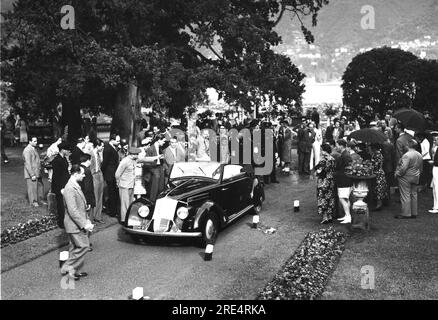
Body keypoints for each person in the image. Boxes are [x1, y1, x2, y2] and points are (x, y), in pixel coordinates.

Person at [61, 164, 94, 280]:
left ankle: (74, 272)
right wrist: (84, 224)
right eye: (82, 173)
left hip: (75, 223)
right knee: (84, 246)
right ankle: (68, 266)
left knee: (74, 247)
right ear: (75, 174)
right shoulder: (70, 188)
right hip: (74, 224)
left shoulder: (74, 185)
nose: (84, 175)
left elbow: (77, 206)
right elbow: (73, 211)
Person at [394, 140, 423, 219]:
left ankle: (406, 214)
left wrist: (398, 173)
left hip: (405, 177)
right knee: (414, 194)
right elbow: (421, 167)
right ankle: (414, 212)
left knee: (405, 195)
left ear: (408, 145)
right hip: (415, 176)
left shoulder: (407, 155)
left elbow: (403, 168)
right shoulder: (419, 154)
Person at [115, 147, 140, 223]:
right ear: (133, 154)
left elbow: (144, 159)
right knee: (124, 204)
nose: (138, 155)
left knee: (129, 203)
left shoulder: (133, 160)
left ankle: (128, 218)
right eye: (137, 154)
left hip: (131, 185)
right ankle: (124, 220)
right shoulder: (125, 161)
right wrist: (118, 183)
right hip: (124, 185)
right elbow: (117, 174)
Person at [314, 143, 336, 224]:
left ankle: (325, 217)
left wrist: (316, 171)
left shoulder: (323, 160)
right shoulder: (332, 159)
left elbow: (319, 170)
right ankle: (330, 216)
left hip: (323, 181)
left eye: (321, 150)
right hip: (331, 181)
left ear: (324, 151)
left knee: (323, 198)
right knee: (330, 198)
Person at [51, 142, 72, 228]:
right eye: (67, 150)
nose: (68, 151)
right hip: (60, 186)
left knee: (64, 204)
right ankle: (61, 222)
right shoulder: (57, 160)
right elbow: (56, 176)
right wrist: (61, 188)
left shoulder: (63, 159)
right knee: (60, 205)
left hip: (64, 184)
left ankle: (65, 220)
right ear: (63, 150)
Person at [141, 134, 166, 202]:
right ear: (158, 140)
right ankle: (152, 201)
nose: (164, 143)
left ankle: (159, 199)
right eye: (163, 141)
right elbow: (146, 162)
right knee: (154, 187)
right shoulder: (151, 148)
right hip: (153, 168)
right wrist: (153, 170)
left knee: (161, 186)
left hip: (159, 167)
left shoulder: (160, 148)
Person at [101, 134, 121, 217]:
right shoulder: (108, 149)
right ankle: (112, 211)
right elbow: (105, 162)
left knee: (113, 192)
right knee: (111, 192)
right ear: (112, 140)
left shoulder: (113, 147)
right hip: (110, 174)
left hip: (113, 172)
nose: (119, 142)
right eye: (117, 141)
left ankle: (114, 209)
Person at [335, 139, 353, 224]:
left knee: (342, 198)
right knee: (345, 198)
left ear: (341, 146)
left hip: (344, 179)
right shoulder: (345, 154)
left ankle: (348, 216)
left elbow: (348, 167)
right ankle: (347, 215)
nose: (336, 147)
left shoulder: (345, 155)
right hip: (344, 179)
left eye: (337, 145)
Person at [23, 137, 44, 207]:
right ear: (29, 141)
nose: (36, 142)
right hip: (32, 173)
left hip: (37, 171)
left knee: (39, 186)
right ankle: (33, 202)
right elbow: (27, 163)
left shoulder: (33, 148)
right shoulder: (27, 150)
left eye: (36, 141)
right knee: (32, 188)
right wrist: (32, 174)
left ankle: (40, 200)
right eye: (34, 141)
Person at [368, 143, 388, 211]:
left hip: (378, 173)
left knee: (378, 188)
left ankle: (379, 204)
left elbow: (376, 165)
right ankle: (379, 203)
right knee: (379, 188)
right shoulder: (377, 154)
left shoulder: (377, 155)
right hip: (379, 173)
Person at [90, 139, 104, 223]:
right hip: (94, 175)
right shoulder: (90, 153)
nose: (103, 147)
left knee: (100, 195)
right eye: (102, 146)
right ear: (97, 146)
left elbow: (100, 163)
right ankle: (93, 217)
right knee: (95, 196)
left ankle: (98, 216)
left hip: (99, 174)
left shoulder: (99, 154)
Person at [429, 135, 438, 213]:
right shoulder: (436, 148)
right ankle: (435, 205)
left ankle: (436, 207)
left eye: (435, 140)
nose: (434, 142)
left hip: (436, 168)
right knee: (435, 187)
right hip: (435, 167)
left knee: (436, 187)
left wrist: (433, 162)